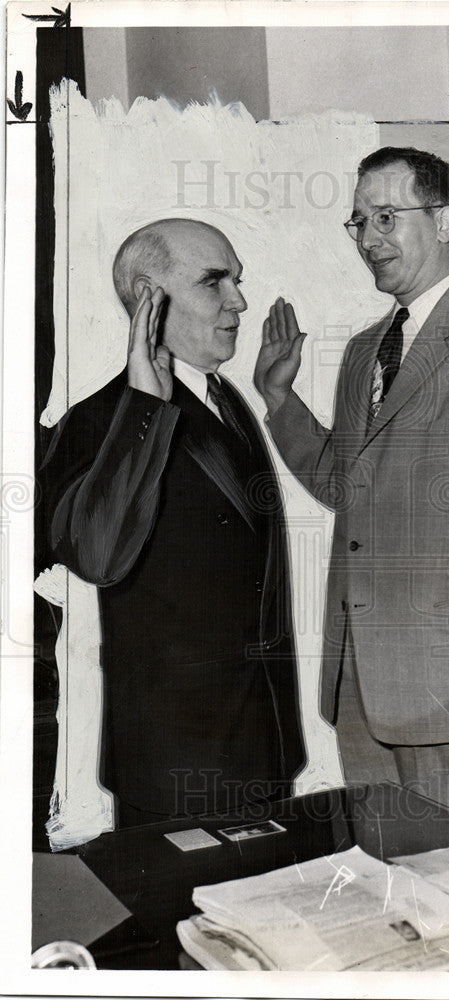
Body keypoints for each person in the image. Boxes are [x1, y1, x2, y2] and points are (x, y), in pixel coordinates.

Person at [254, 146, 449, 829]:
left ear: (446, 221)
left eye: (388, 218)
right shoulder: (366, 350)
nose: (369, 239)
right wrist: (279, 400)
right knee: (395, 900)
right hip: (363, 688)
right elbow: (350, 487)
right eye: (359, 221)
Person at [42, 219, 304, 826]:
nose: (239, 300)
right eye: (214, 282)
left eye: (237, 280)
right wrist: (144, 410)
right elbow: (98, 557)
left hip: (261, 742)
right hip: (175, 761)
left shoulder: (228, 397)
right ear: (147, 299)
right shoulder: (99, 419)